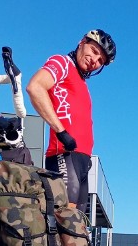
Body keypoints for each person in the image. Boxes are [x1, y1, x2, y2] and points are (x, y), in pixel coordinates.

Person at [26, 29, 116, 212]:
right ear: (82, 41)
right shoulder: (63, 63)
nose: (95, 61)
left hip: (82, 159)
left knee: (78, 228)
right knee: (64, 219)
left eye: (101, 61)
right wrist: (61, 131)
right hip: (64, 154)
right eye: (95, 51)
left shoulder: (82, 83)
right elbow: (35, 87)